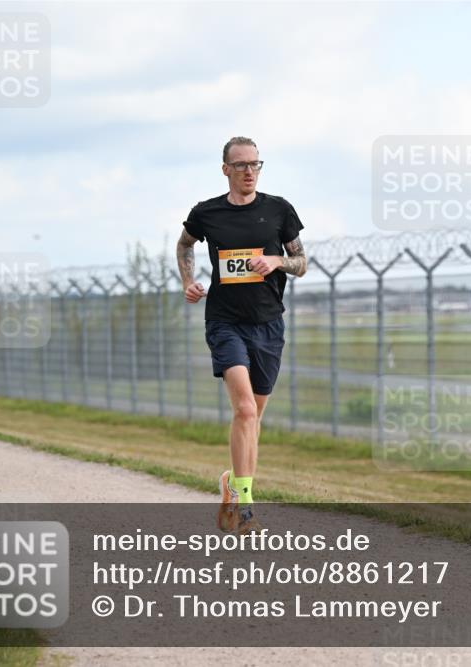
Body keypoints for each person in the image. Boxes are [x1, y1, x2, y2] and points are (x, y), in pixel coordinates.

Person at [176, 136, 307, 534]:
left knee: (254, 417)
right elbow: (184, 245)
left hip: (268, 323)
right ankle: (246, 506)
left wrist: (276, 261)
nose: (249, 171)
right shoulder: (207, 213)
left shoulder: (279, 210)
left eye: (255, 164)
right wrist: (189, 281)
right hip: (224, 322)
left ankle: (232, 484)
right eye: (241, 165)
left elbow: (301, 263)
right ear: (226, 170)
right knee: (245, 410)